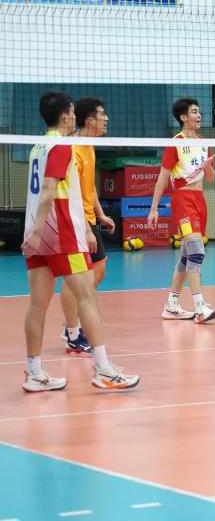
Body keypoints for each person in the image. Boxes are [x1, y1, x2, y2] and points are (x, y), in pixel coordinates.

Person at [21, 91, 139, 392]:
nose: (75, 117)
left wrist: (36, 232)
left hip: (36, 229)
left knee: (37, 304)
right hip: (59, 232)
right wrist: (43, 232)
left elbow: (57, 190)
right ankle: (104, 370)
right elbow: (50, 190)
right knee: (87, 297)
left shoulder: (37, 146)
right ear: (65, 117)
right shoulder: (62, 145)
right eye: (72, 113)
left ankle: (34, 372)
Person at [148, 98, 215, 323]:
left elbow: (211, 178)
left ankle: (171, 305)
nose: (199, 115)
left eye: (199, 112)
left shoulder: (203, 142)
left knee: (187, 256)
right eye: (194, 112)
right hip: (182, 201)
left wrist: (207, 166)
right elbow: (162, 178)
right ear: (183, 117)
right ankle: (200, 308)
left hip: (199, 200)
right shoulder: (175, 143)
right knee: (197, 252)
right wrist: (153, 209)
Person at [58, 97, 116, 354]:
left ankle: (74, 321)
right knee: (77, 280)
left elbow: (88, 184)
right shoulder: (72, 148)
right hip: (75, 222)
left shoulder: (88, 145)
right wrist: (84, 229)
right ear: (90, 120)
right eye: (102, 114)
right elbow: (71, 192)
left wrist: (100, 214)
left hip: (89, 219)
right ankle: (72, 333)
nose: (106, 118)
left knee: (98, 271)